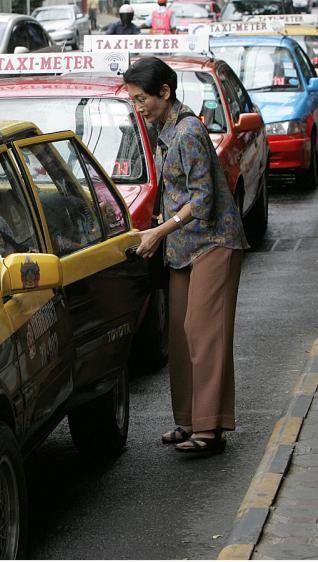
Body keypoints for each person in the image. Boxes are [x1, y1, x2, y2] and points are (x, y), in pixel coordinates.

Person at [123, 57, 248, 454]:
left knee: (202, 332)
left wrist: (160, 229)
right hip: (183, 246)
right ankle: (188, 421)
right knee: (178, 333)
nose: (139, 107)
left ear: (165, 92)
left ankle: (210, 430)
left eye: (143, 99)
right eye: (133, 100)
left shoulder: (189, 131)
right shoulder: (164, 129)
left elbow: (204, 200)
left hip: (214, 241)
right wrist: (158, 223)